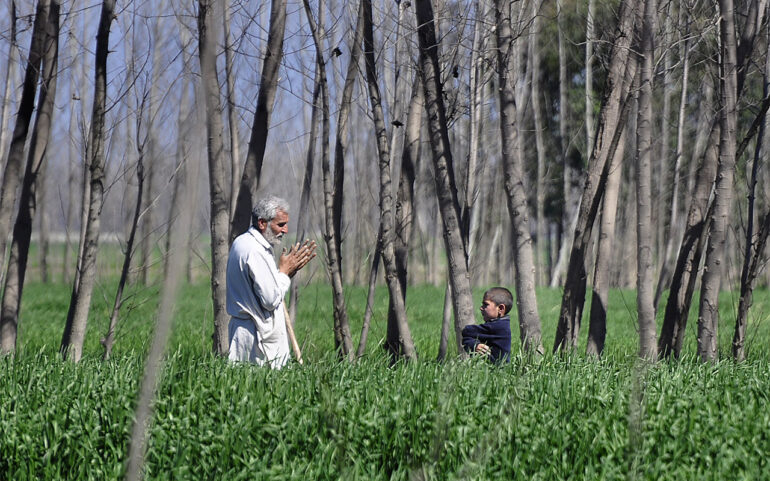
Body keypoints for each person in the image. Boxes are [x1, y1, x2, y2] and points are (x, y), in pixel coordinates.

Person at [226, 195, 317, 369]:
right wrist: (283, 273)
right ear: (262, 223)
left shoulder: (242, 242)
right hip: (258, 340)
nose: (285, 230)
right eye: (280, 224)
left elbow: (260, 286)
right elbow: (269, 300)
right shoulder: (255, 251)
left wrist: (285, 272)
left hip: (243, 333)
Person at [461, 287, 513, 363]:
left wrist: (473, 344)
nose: (481, 308)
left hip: (496, 371)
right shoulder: (498, 324)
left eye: (485, 305)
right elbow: (467, 339)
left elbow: (467, 331)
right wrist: (475, 345)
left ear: (501, 308)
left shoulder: (498, 327)